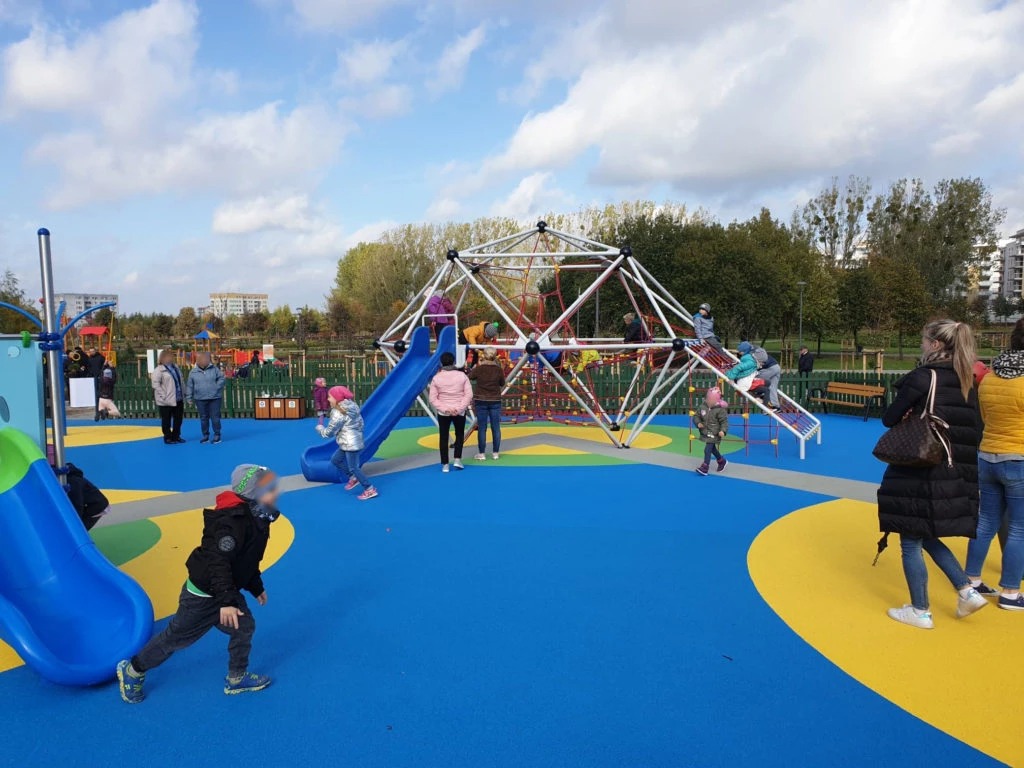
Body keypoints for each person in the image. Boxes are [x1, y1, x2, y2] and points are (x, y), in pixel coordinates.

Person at [116, 464, 281, 703]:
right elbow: (219, 562)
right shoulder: (231, 523)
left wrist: (255, 586)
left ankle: (236, 677)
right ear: (253, 493)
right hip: (203, 595)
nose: (276, 492)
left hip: (224, 590)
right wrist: (226, 602)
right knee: (175, 639)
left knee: (244, 627)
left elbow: (247, 559)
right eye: (270, 488)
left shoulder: (258, 517)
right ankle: (133, 670)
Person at [877, 319, 987, 630]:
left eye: (925, 340)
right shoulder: (967, 380)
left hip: (921, 464)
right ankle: (966, 590)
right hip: (953, 468)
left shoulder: (924, 377)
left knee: (910, 537)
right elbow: (973, 428)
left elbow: (890, 418)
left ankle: (920, 609)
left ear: (935, 344)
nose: (922, 344)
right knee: (926, 533)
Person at [965, 322, 1024, 611]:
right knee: (1019, 529)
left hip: (988, 455)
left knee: (986, 521)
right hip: (1018, 458)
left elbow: (986, 417)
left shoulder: (989, 379)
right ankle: (1010, 591)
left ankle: (971, 580)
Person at [316, 386, 377, 501]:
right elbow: (361, 423)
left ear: (337, 398)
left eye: (330, 397)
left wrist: (320, 429)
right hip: (349, 441)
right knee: (335, 459)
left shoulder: (338, 412)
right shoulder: (352, 406)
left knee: (353, 467)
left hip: (350, 443)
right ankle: (353, 478)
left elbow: (329, 432)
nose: (328, 399)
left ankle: (369, 489)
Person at [429, 352, 474, 472]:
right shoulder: (462, 376)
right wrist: (459, 408)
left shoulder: (437, 378)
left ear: (441, 363)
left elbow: (433, 398)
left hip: (444, 412)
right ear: (454, 362)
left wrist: (445, 409)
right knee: (459, 435)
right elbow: (469, 394)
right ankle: (457, 459)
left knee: (443, 437)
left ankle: (445, 464)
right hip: (459, 411)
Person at [468, 347, 505, 461]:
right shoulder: (498, 370)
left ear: (484, 356)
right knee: (496, 427)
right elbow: (502, 383)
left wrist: (477, 365)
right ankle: (495, 453)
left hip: (481, 399)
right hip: (495, 399)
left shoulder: (479, 369)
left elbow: (470, 376)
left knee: (482, 427)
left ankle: (482, 453)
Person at [186, 352, 226, 444]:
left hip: (215, 398)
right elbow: (190, 385)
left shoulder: (214, 369)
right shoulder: (193, 372)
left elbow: (222, 378)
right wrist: (189, 397)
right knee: (203, 418)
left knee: (215, 418)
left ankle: (217, 435)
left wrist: (217, 386)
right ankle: (205, 435)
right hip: (200, 398)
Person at [151, 350, 185, 444]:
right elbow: (155, 384)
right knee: (166, 419)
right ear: (162, 358)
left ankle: (176, 436)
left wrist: (184, 392)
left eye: (171, 356)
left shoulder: (176, 367)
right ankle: (167, 437)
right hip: (166, 400)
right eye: (168, 356)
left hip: (178, 398)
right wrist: (163, 395)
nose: (170, 358)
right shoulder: (158, 370)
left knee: (178, 419)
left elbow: (181, 381)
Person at [694, 387, 729, 476]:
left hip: (715, 433)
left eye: (711, 399)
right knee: (712, 449)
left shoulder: (720, 410)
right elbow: (696, 416)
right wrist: (698, 423)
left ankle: (705, 467)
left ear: (716, 400)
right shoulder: (703, 406)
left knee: (707, 449)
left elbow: (724, 422)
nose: (708, 400)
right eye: (707, 398)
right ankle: (721, 461)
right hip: (706, 431)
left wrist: (723, 431)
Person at [751, 344, 782, 410]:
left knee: (753, 379)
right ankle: (775, 406)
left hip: (770, 368)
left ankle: (760, 395)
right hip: (777, 367)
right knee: (772, 387)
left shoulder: (756, 354)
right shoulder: (762, 352)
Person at [85, 347, 106, 421]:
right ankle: (99, 411)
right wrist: (90, 373)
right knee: (96, 395)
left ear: (95, 351)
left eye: (93, 351)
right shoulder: (89, 359)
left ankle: (101, 411)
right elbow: (88, 367)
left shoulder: (101, 358)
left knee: (100, 394)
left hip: (100, 377)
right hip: (94, 377)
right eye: (90, 351)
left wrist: (101, 372)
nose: (92, 352)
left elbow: (104, 366)